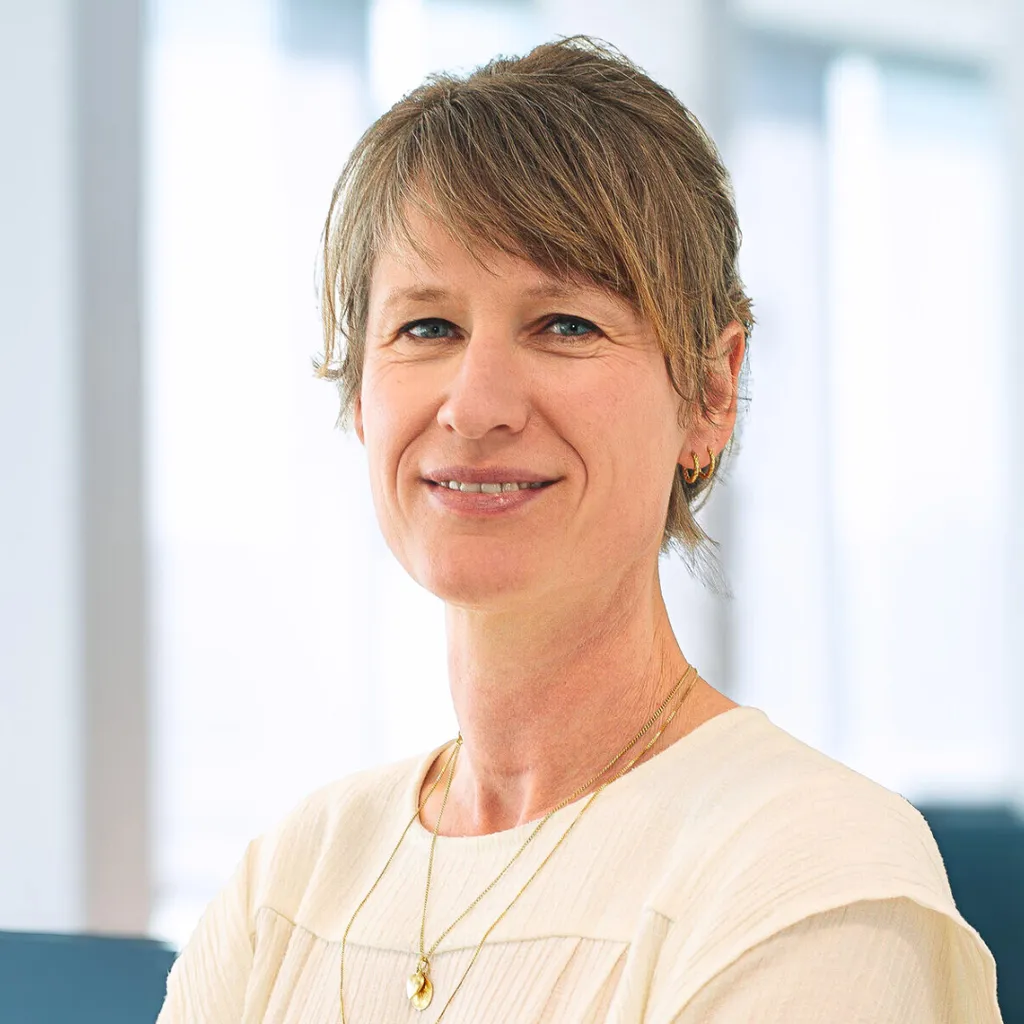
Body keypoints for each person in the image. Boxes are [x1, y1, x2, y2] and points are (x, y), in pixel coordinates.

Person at [156, 35, 1003, 1023]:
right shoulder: (290, 884)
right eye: (426, 327)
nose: (475, 406)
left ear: (711, 391)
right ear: (357, 390)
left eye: (564, 323)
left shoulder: (809, 880)